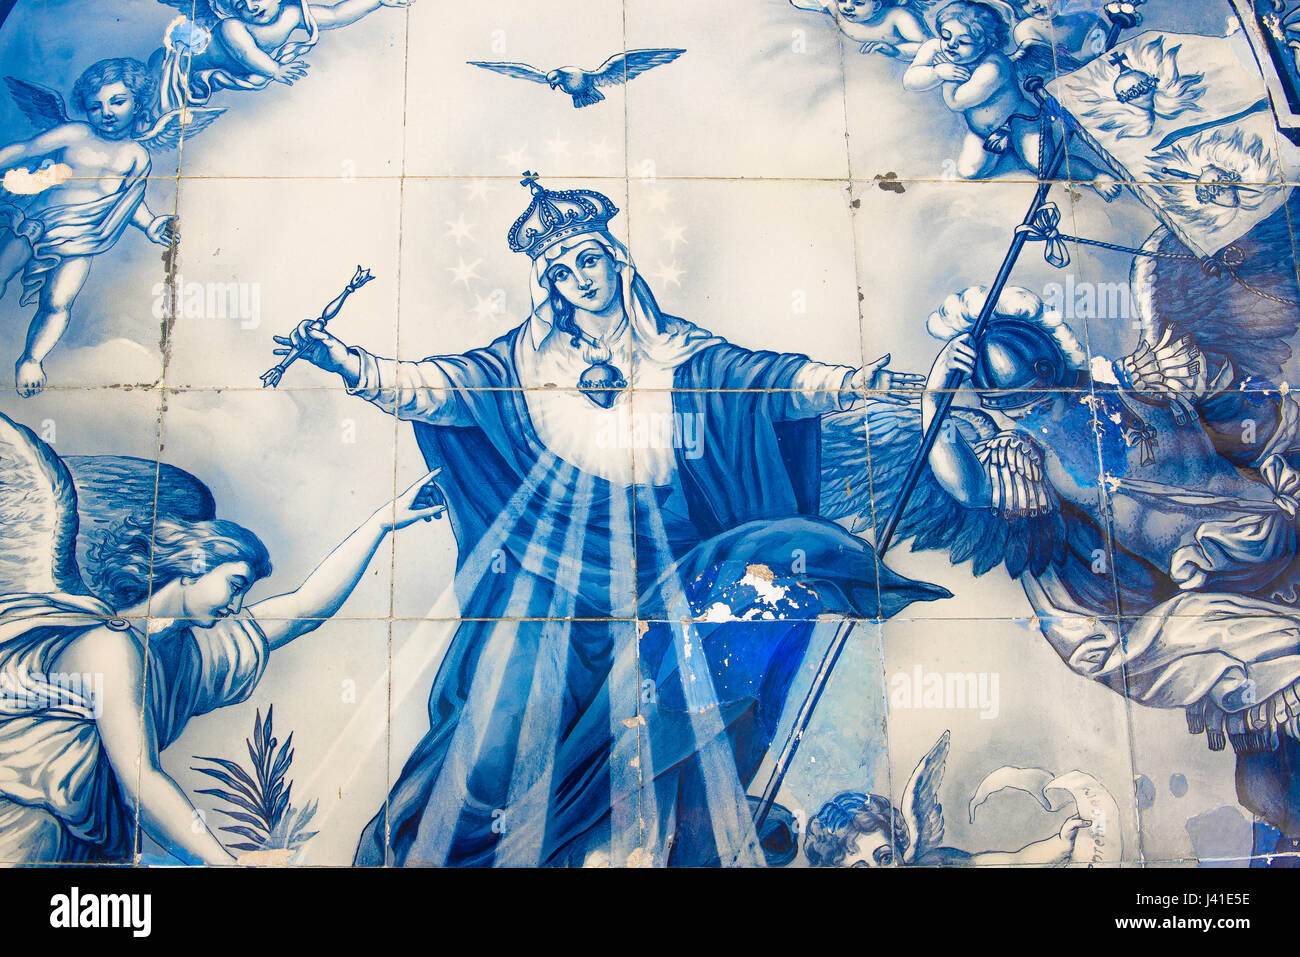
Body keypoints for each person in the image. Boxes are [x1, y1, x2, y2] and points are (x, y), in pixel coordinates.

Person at [278, 174, 948, 867]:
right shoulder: (521, 362)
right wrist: (349, 363)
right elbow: (438, 390)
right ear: (548, 287)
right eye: (561, 272)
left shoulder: (677, 351)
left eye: (588, 259)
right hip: (559, 573)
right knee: (494, 745)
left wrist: (845, 382)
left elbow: (764, 380)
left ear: (616, 258)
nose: (579, 279)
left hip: (673, 565)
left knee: (688, 703)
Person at [0, 431, 445, 865]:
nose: (236, 607)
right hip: (20, 832)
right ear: (193, 566)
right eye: (234, 587)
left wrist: (380, 524)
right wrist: (226, 864)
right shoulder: (109, 644)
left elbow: (301, 609)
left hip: (79, 846)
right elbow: (142, 784)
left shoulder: (185, 657)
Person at [0, 58, 174, 396]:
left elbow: (127, 203)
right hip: (36, 222)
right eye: (96, 106)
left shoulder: (136, 156)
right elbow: (25, 149)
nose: (106, 112)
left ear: (137, 103)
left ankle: (31, 360)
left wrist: (151, 223)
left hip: (81, 240)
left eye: (117, 102)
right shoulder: (75, 132)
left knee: (58, 302)